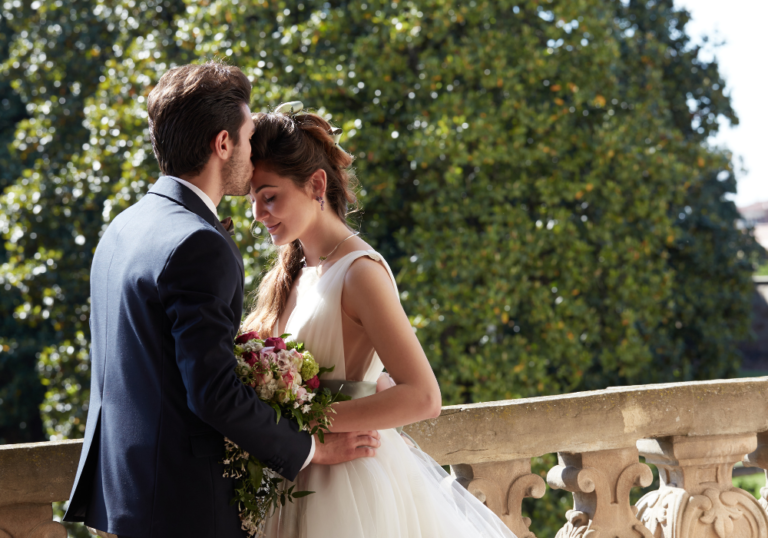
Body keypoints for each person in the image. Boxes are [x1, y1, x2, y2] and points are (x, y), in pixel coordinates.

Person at [63, 63, 380, 538]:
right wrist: (310, 448)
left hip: (126, 498)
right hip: (187, 508)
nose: (254, 154)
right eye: (249, 137)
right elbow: (213, 393)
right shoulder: (198, 243)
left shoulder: (124, 227)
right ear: (223, 143)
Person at [244, 103, 517, 538]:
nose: (257, 214)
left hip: (346, 488)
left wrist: (314, 422)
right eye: (253, 199)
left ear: (316, 185)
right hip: (295, 476)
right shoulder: (294, 271)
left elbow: (424, 396)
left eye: (269, 196)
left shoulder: (361, 272)